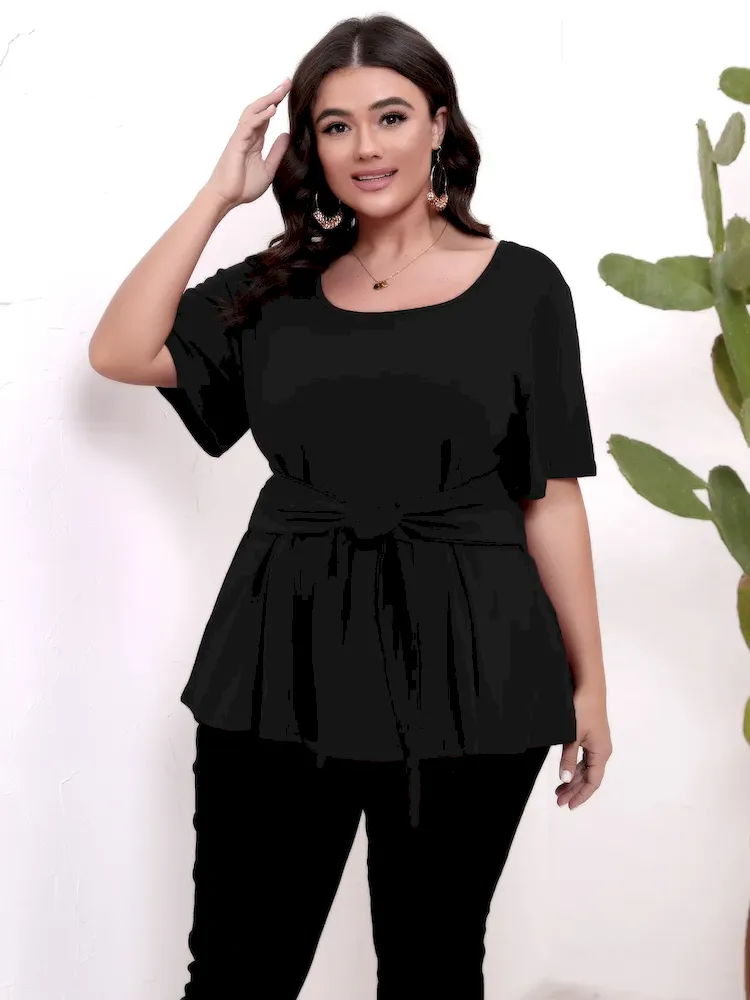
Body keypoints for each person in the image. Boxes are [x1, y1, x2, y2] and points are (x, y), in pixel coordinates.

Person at [88, 13, 613, 999]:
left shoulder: (526, 288)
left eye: (390, 116)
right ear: (312, 146)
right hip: (279, 654)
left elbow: (550, 496)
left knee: (431, 969)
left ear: (439, 124)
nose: (366, 146)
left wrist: (591, 683)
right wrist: (219, 194)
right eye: (336, 125)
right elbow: (120, 350)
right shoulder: (274, 290)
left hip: (473, 661)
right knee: (237, 972)